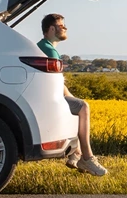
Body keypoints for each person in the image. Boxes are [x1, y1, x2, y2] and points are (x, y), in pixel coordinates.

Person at [36, 13, 108, 176]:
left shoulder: (43, 46)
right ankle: (87, 158)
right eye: (62, 26)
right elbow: (57, 84)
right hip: (49, 100)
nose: (66, 28)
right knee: (83, 107)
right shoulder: (50, 51)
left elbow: (58, 82)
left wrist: (72, 98)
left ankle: (76, 154)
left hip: (44, 96)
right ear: (52, 28)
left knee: (78, 105)